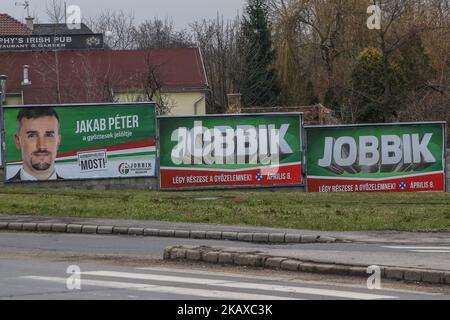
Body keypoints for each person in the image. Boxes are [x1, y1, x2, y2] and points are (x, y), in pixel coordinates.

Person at [8, 107, 64, 181]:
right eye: (32, 136)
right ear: (18, 141)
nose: (41, 146)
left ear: (58, 141)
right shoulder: (4, 191)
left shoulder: (71, 189)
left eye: (49, 135)